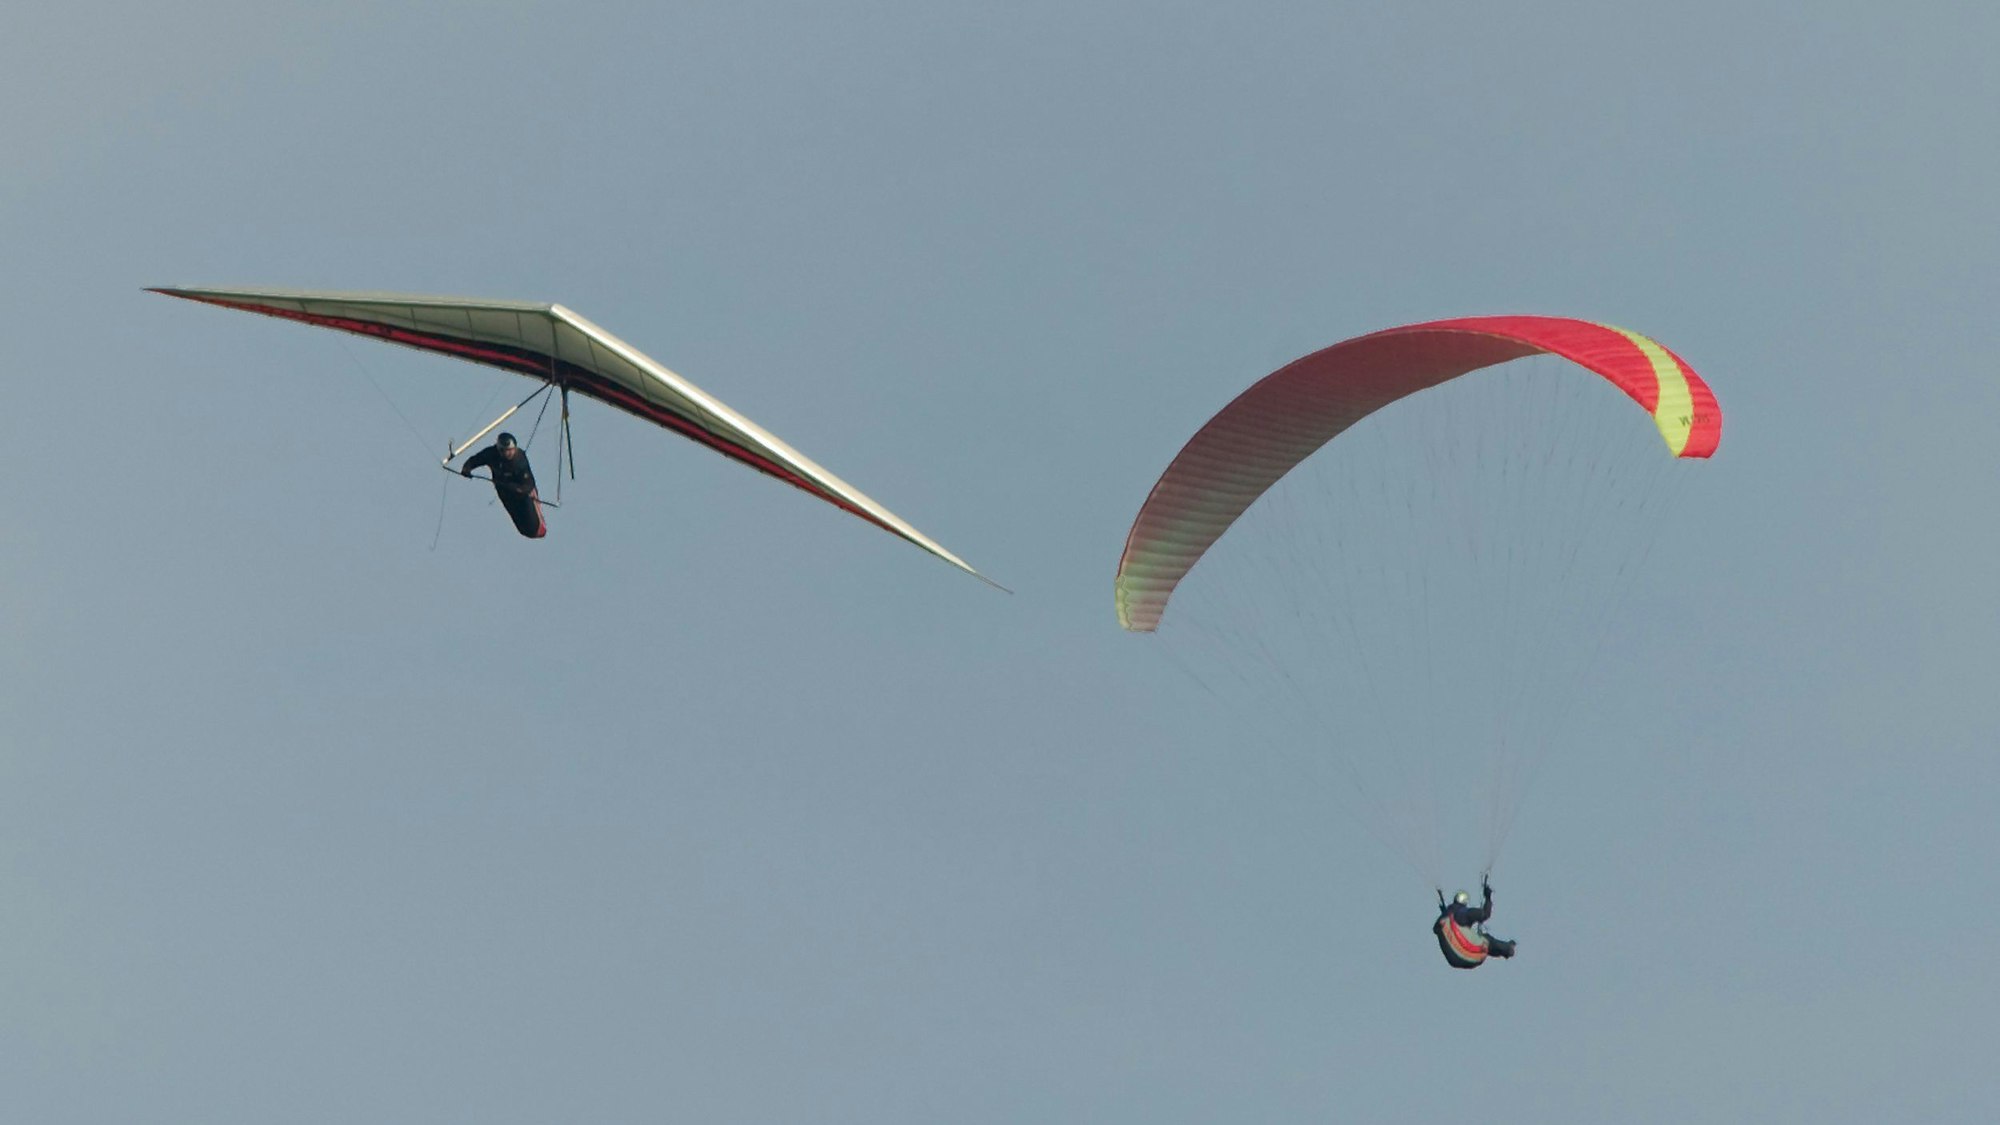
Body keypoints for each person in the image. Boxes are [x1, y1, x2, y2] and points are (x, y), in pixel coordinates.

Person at [460, 432, 546, 539]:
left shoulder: (519, 460)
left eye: (512, 450)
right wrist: (467, 468)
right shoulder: (491, 454)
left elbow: (529, 485)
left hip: (523, 493)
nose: (510, 453)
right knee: (523, 529)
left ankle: (538, 525)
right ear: (500, 450)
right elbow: (475, 460)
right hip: (505, 491)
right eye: (507, 451)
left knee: (534, 528)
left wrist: (517, 488)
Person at [1432, 877, 1515, 969]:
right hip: (1470, 955)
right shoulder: (1462, 913)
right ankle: (1507, 949)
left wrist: (1444, 912)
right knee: (1487, 940)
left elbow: (1438, 929)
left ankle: (1504, 951)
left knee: (1484, 944)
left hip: (1452, 960)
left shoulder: (1444, 920)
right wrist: (1488, 897)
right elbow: (1485, 914)